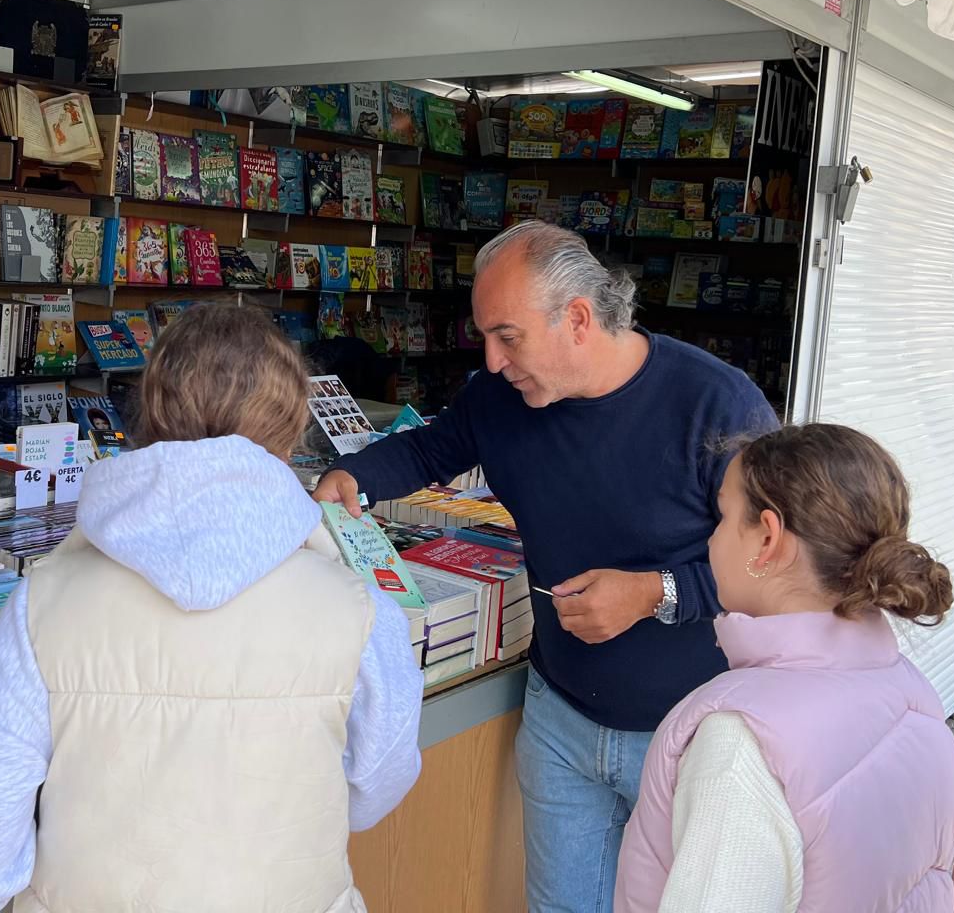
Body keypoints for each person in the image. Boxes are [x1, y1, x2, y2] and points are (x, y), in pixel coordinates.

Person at [314, 220, 778, 911]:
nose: (494, 361)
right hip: (560, 719)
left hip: (690, 732)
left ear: (580, 319)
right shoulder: (497, 398)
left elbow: (777, 564)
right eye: (485, 339)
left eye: (508, 336)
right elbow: (425, 452)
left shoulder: (717, 404)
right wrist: (352, 478)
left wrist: (657, 591)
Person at [0, 302, 423, 913]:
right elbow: (374, 791)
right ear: (290, 433)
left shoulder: (44, 604)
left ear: (150, 414)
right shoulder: (359, 611)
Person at [613, 423, 954, 912]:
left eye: (723, 517)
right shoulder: (914, 695)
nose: (711, 541)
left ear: (767, 540)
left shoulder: (739, 746)